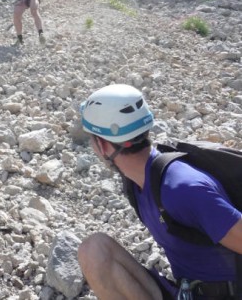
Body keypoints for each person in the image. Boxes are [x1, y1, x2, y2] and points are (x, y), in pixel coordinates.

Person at [77, 84, 242, 300]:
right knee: (95, 250)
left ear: (102, 145)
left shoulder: (183, 188)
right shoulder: (138, 183)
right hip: (186, 292)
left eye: (91, 139)